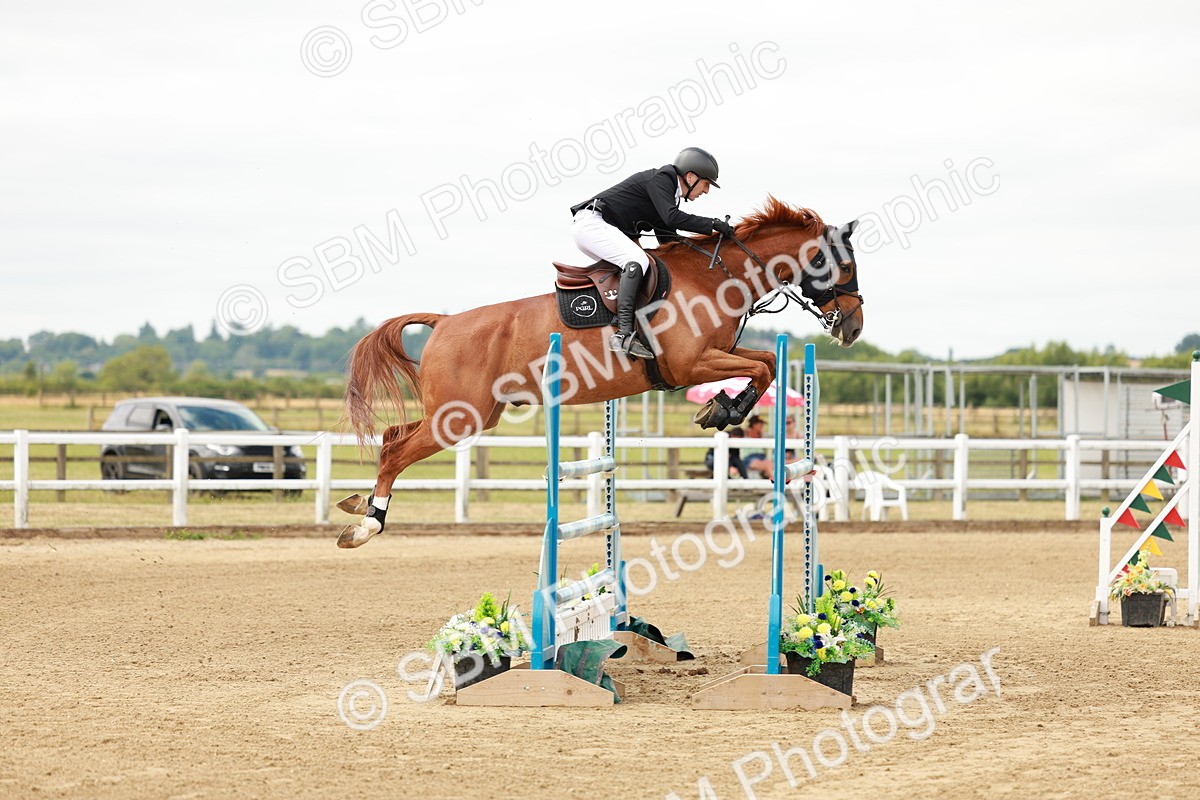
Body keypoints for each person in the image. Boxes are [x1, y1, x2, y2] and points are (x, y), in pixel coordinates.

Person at [569, 147, 735, 360]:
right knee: (637, 261)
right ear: (691, 176)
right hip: (592, 224)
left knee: (652, 265)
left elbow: (668, 239)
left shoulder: (668, 196)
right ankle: (623, 335)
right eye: (706, 184)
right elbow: (672, 219)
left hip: (605, 227)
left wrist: (706, 253)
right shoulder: (663, 179)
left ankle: (634, 326)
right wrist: (711, 224)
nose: (706, 191)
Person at [743, 416, 797, 480]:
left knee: (772, 464)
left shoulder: (763, 435)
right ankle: (777, 481)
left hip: (762, 458)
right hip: (750, 458)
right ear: (754, 424)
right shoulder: (746, 434)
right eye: (760, 424)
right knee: (768, 464)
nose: (762, 426)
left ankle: (778, 480)